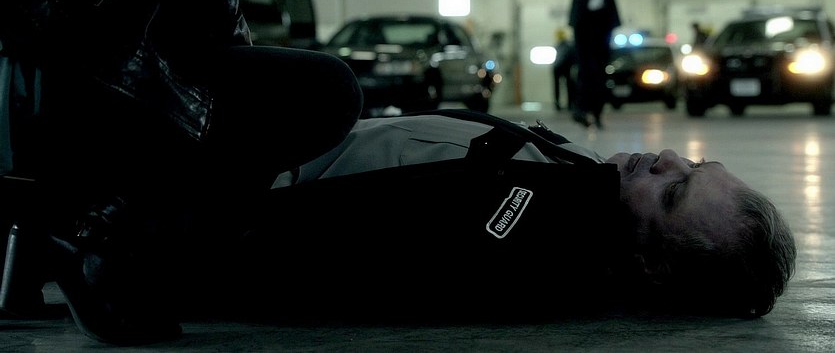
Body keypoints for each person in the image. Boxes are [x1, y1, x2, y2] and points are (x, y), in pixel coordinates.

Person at [0, 0, 363, 345]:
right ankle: (101, 239)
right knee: (326, 90)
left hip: (37, 64)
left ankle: (51, 239)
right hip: (102, 72)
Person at [210, 109, 796, 325]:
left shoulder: (541, 240)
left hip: (244, 172)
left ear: (652, 267)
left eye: (674, 191)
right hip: (277, 146)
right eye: (695, 164)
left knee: (323, 86)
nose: (667, 157)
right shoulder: (584, 183)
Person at [566, 0, 623, 129]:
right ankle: (581, 110)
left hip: (604, 18)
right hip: (583, 18)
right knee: (583, 65)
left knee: (601, 66)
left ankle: (598, 112)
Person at [552, 27, 577, 112]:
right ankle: (569, 104)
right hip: (565, 67)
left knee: (558, 86)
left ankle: (558, 104)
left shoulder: (558, 46)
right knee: (568, 86)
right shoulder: (568, 46)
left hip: (557, 67)